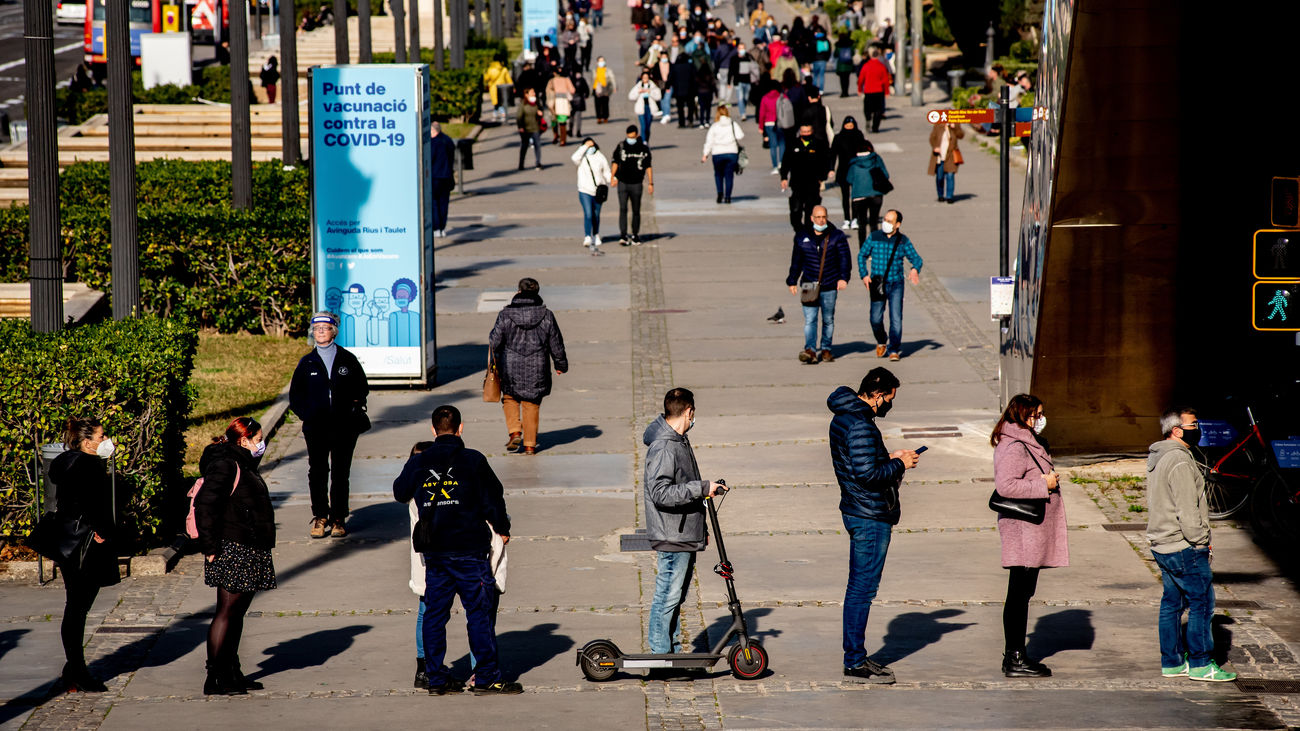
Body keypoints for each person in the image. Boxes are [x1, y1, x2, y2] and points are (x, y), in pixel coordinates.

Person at [392, 406, 522, 695]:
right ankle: (486, 676)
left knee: (435, 615)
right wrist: (503, 529)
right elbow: (493, 500)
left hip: (435, 552)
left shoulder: (419, 462)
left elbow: (400, 492)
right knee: (478, 613)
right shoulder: (473, 460)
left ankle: (436, 677)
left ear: (433, 428)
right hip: (469, 550)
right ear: (460, 428)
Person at [828, 367, 918, 684]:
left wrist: (887, 456)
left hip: (857, 508)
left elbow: (859, 464)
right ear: (878, 395)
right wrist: (899, 463)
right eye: (890, 398)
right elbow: (868, 475)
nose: (890, 404)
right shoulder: (861, 425)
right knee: (862, 589)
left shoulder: (845, 416)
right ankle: (854, 660)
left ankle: (855, 657)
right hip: (869, 515)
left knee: (860, 587)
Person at [1146, 407, 1237, 682]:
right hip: (1183, 545)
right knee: (1202, 603)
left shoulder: (1158, 457)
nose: (1198, 428)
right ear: (1176, 430)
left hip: (1162, 543)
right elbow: (1188, 510)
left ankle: (1172, 661)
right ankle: (1200, 664)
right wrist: (1201, 542)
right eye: (1193, 424)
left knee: (1171, 603)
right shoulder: (1180, 461)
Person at [196, 417, 276, 695]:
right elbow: (205, 505)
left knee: (237, 613)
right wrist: (209, 548)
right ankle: (215, 676)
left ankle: (231, 670)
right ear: (243, 440)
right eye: (258, 439)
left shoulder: (242, 462)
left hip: (249, 545)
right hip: (232, 546)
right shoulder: (226, 464)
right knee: (226, 612)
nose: (261, 444)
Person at [644, 388, 727, 656]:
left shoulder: (679, 440)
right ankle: (661, 655)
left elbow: (683, 484)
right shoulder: (665, 446)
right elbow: (661, 493)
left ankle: (673, 653)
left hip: (683, 532)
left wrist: (699, 527)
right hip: (672, 534)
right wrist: (701, 488)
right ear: (688, 411)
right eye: (693, 414)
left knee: (675, 598)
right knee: (667, 597)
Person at [991, 394, 1067, 678]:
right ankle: (1014, 658)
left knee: (1023, 593)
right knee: (1018, 594)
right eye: (1037, 414)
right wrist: (1042, 483)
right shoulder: (1014, 446)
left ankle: (1016, 655)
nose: (1042, 419)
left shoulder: (1026, 441)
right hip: (1023, 528)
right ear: (1024, 415)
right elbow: (1006, 485)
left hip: (1030, 528)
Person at [46, 419, 121, 693]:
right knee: (78, 607)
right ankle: (77, 669)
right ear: (87, 442)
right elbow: (92, 503)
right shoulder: (89, 465)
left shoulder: (67, 462)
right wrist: (102, 530)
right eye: (102, 436)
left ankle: (73, 667)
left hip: (69, 540)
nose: (106, 440)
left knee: (76, 605)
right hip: (86, 542)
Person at [289, 312, 369, 538]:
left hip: (344, 427)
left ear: (334, 331)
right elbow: (296, 396)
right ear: (312, 333)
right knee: (317, 471)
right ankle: (320, 516)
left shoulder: (347, 359)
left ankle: (338, 518)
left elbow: (361, 388)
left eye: (325, 328)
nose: (321, 332)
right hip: (316, 428)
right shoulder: (307, 363)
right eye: (317, 329)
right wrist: (309, 415)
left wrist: (352, 409)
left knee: (341, 473)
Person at [488, 278, 569, 454]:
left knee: (509, 398)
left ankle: (515, 431)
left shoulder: (505, 315)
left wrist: (492, 362)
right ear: (537, 293)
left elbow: (494, 341)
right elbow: (556, 342)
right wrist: (560, 364)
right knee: (531, 403)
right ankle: (530, 445)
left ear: (518, 292)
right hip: (537, 365)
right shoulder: (546, 315)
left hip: (510, 364)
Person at [786, 205, 851, 363]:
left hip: (829, 284)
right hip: (809, 284)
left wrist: (844, 278)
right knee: (810, 319)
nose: (821, 220)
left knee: (828, 319)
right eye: (818, 217)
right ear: (811, 218)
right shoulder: (802, 237)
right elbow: (796, 261)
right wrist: (792, 280)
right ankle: (811, 350)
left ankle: (826, 349)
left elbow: (845, 259)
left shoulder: (837, 236)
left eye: (823, 217)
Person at [859, 210, 922, 361]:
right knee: (875, 318)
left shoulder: (902, 240)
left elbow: (917, 259)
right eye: (885, 220)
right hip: (877, 283)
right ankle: (882, 340)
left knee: (896, 319)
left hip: (896, 284)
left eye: (890, 221)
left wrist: (914, 269)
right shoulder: (874, 237)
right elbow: (862, 255)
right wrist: (864, 275)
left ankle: (894, 349)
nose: (885, 223)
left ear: (897, 224)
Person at [780, 123, 830, 233]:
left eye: (808, 132)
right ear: (800, 132)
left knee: (810, 210)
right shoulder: (793, 144)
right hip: (797, 183)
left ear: (812, 131)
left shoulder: (819, 144)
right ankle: (798, 229)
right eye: (804, 132)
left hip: (813, 183)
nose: (806, 134)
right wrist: (784, 177)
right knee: (795, 209)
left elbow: (826, 161)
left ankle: (808, 232)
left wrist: (822, 177)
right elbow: (786, 161)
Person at [611, 124, 654, 246]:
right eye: (629, 137)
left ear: (637, 136)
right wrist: (612, 176)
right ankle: (623, 235)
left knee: (636, 210)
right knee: (623, 208)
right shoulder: (621, 146)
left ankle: (635, 235)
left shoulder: (643, 149)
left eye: (633, 137)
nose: (630, 139)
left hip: (636, 183)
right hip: (623, 182)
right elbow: (615, 162)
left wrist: (651, 183)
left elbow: (648, 166)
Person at [843, 139, 890, 242]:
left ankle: (863, 251)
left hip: (859, 196)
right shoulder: (876, 159)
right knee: (874, 224)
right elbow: (886, 175)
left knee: (862, 225)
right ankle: (875, 250)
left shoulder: (854, 163)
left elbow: (849, 179)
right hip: (876, 195)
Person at [571, 138, 612, 252]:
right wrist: (584, 147)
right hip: (584, 190)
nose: (590, 148)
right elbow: (574, 158)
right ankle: (587, 236)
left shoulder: (600, 156)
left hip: (598, 191)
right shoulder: (581, 157)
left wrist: (611, 180)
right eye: (587, 146)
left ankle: (596, 234)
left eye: (591, 145)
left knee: (596, 214)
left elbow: (606, 171)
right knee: (588, 213)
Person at [702, 105, 744, 204]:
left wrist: (705, 154)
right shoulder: (733, 124)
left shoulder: (715, 126)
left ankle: (720, 193)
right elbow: (740, 136)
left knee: (718, 174)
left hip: (718, 153)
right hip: (731, 152)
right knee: (729, 175)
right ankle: (728, 197)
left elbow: (709, 141)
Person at [830, 116, 865, 229]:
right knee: (845, 196)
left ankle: (855, 218)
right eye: (847, 126)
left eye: (851, 126)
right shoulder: (838, 138)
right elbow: (833, 154)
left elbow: (864, 151)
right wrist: (831, 169)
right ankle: (846, 219)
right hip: (843, 170)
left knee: (855, 196)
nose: (849, 128)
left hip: (856, 169)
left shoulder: (859, 135)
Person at [429, 122, 456, 238]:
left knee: (434, 203)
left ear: (433, 131)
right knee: (444, 204)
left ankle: (437, 227)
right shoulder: (447, 140)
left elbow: (429, 159)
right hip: (447, 176)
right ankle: (443, 228)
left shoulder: (432, 143)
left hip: (435, 177)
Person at [928, 120, 964, 204]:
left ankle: (949, 196)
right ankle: (940, 195)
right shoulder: (938, 125)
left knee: (950, 176)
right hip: (939, 157)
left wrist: (954, 128)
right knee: (940, 177)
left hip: (950, 156)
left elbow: (961, 135)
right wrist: (935, 147)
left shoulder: (955, 125)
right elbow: (932, 138)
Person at [857, 47, 890, 133]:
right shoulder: (881, 66)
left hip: (868, 91)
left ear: (871, 56)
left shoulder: (866, 66)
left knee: (867, 108)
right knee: (878, 110)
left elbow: (861, 79)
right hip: (879, 91)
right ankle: (875, 127)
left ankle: (868, 119)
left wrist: (859, 89)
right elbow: (886, 80)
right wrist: (886, 92)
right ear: (878, 56)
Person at [758, 80, 785, 174]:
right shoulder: (782, 97)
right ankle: (781, 163)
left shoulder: (765, 98)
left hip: (769, 123)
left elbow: (762, 114)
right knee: (782, 144)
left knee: (773, 145)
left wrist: (761, 127)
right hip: (781, 122)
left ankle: (775, 166)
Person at [628, 71, 663, 142]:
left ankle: (646, 140)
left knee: (648, 127)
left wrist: (650, 92)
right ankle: (643, 141)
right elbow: (631, 96)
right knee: (643, 126)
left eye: (646, 78)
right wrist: (639, 92)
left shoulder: (653, 86)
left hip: (650, 108)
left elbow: (658, 97)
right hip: (641, 109)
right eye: (644, 78)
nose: (645, 79)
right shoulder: (638, 86)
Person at [516, 88, 544, 170]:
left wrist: (540, 113)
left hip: (535, 128)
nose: (534, 93)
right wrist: (520, 127)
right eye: (532, 92)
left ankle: (538, 163)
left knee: (537, 145)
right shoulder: (523, 104)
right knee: (524, 146)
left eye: (534, 92)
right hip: (525, 129)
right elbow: (519, 116)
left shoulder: (537, 103)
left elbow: (541, 112)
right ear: (526, 94)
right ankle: (521, 164)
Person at [547, 70, 576, 146]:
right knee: (562, 122)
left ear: (554, 73)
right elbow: (572, 90)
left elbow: (547, 91)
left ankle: (555, 135)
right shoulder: (566, 80)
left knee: (553, 120)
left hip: (553, 102)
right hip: (563, 102)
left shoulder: (552, 81)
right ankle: (563, 140)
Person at [728, 42, 756, 120]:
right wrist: (729, 81)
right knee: (740, 98)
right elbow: (731, 71)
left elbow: (754, 67)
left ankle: (743, 108)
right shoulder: (734, 59)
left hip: (747, 81)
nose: (741, 50)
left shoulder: (749, 57)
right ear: (737, 49)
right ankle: (743, 113)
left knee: (745, 98)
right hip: (738, 82)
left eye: (743, 48)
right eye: (740, 48)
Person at [669, 52, 697, 127]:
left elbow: (671, 78)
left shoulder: (675, 67)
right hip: (690, 90)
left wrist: (667, 86)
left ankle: (681, 123)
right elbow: (695, 78)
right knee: (690, 107)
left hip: (678, 90)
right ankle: (690, 120)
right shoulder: (690, 66)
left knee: (680, 108)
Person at [592, 57, 616, 123]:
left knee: (605, 103)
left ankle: (605, 117)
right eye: (600, 61)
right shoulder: (595, 70)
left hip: (605, 88)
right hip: (596, 88)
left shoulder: (608, 70)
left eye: (602, 61)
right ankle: (599, 117)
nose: (601, 62)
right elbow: (592, 79)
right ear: (597, 62)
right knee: (597, 104)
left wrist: (614, 87)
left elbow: (612, 79)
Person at [569, 68, 591, 138]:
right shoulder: (573, 80)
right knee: (572, 117)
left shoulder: (579, 80)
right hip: (574, 100)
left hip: (576, 100)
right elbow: (586, 89)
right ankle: (572, 130)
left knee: (576, 117)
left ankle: (576, 131)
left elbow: (586, 89)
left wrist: (586, 94)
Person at [833, 33, 855, 97]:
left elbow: (835, 54)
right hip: (848, 65)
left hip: (841, 65)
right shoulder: (850, 45)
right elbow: (852, 53)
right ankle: (846, 92)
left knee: (842, 80)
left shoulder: (838, 45)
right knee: (847, 79)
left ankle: (843, 92)